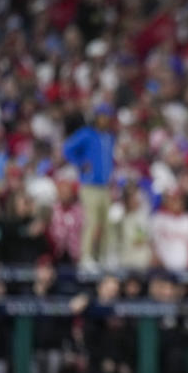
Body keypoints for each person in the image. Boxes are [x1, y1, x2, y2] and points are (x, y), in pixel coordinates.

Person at [62, 103, 115, 269]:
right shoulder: (87, 134)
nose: (104, 119)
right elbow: (67, 148)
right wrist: (80, 163)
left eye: (107, 116)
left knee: (107, 223)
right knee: (90, 222)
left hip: (105, 186)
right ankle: (86, 258)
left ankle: (103, 257)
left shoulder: (109, 137)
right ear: (96, 117)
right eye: (102, 116)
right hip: (90, 185)